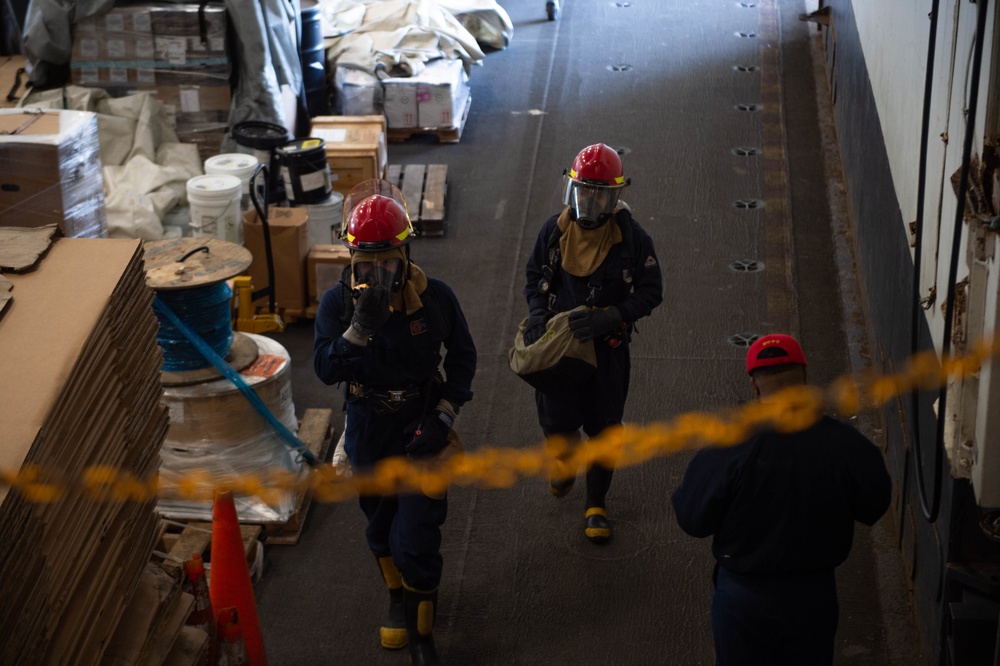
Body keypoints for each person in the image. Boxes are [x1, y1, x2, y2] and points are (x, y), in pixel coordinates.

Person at [314, 180, 477, 666]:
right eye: (367, 264)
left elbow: (464, 358)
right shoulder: (337, 305)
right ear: (351, 260)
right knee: (380, 525)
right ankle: (397, 597)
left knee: (418, 533)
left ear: (405, 253)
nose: (378, 273)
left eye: (388, 262)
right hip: (368, 426)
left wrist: (445, 414)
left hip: (421, 425)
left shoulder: (436, 300)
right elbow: (325, 369)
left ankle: (423, 639)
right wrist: (358, 329)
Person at [671, 334, 892, 666]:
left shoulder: (729, 444)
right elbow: (875, 503)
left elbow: (692, 518)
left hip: (743, 597)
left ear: (755, 386)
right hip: (813, 595)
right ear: (804, 377)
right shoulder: (843, 443)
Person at [522, 143, 663, 544]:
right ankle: (564, 464)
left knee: (604, 428)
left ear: (614, 196)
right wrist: (537, 317)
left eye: (600, 193)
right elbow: (534, 279)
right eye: (583, 191)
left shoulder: (632, 240)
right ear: (572, 189)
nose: (590, 200)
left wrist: (613, 316)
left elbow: (652, 292)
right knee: (557, 421)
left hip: (607, 351)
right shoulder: (554, 231)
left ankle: (596, 504)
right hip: (560, 352)